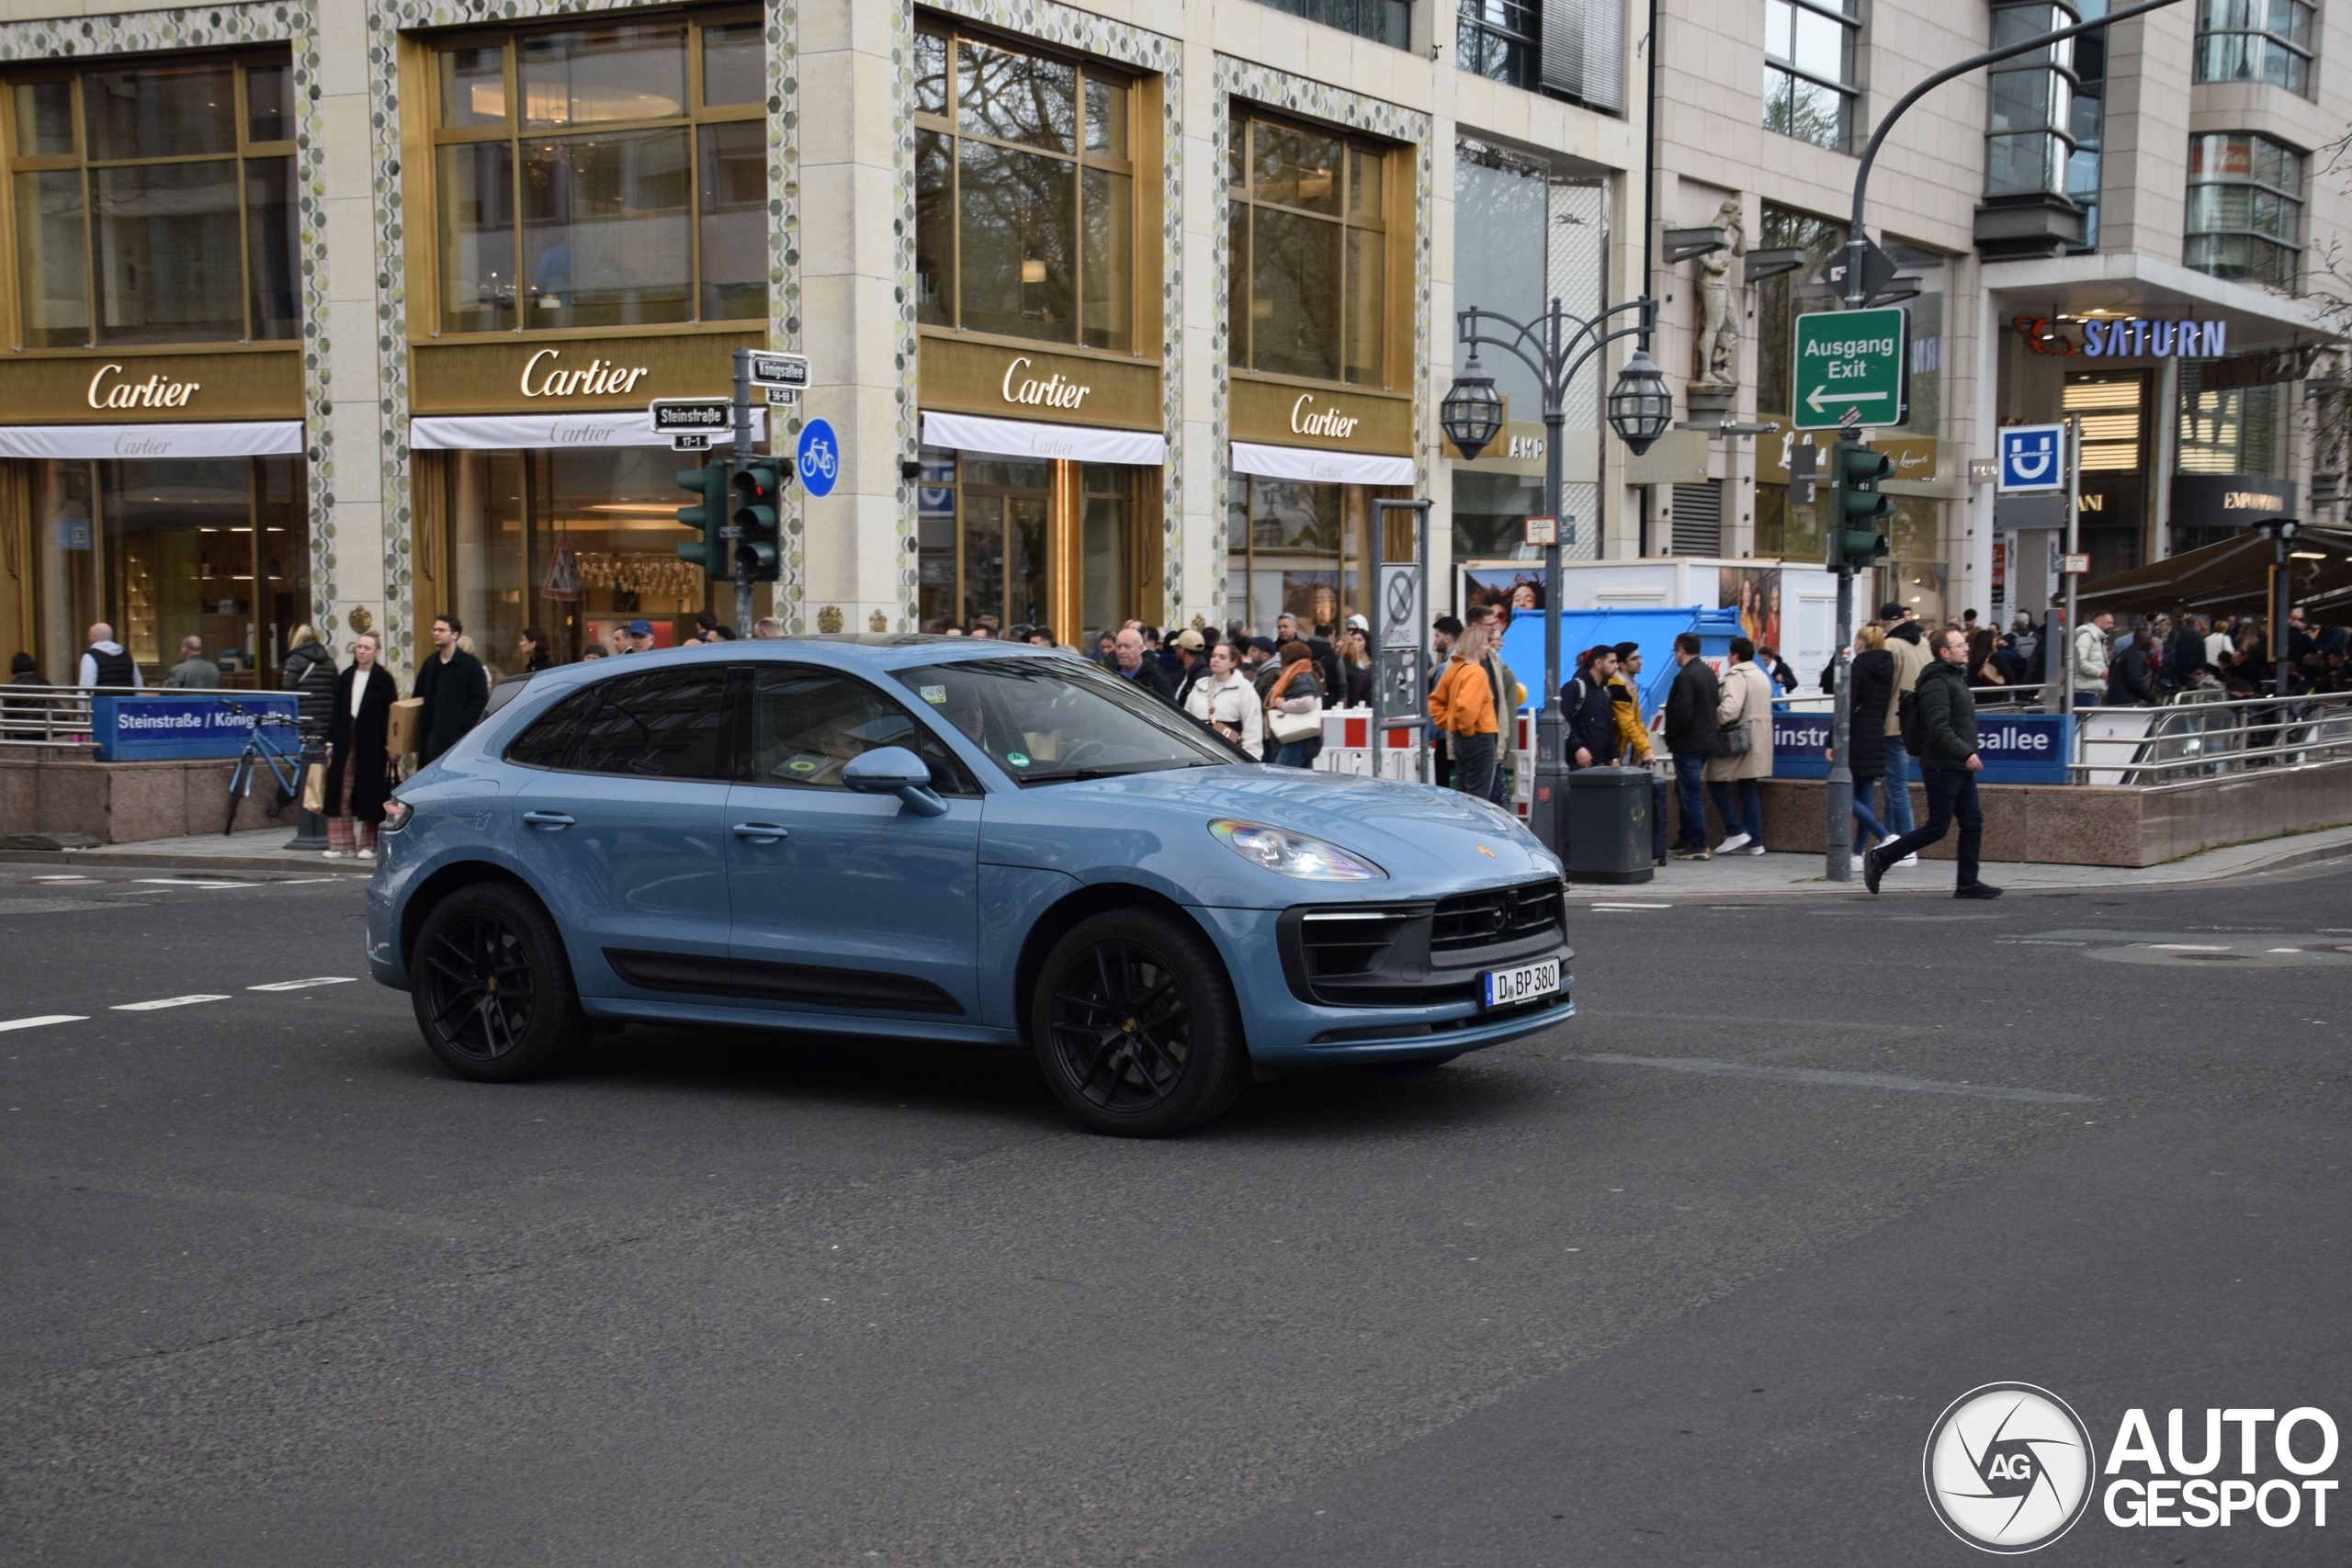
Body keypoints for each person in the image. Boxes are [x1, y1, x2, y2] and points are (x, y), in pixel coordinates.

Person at [1866, 628, 2001, 899]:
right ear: (1944, 651)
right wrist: (1965, 753)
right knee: (1937, 827)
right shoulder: (1937, 682)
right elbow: (1938, 727)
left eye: (1965, 643)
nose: (1966, 648)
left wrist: (1963, 755)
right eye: (1960, 644)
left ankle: (1967, 883)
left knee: (1973, 822)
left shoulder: (1954, 677)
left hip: (1957, 764)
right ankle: (1881, 857)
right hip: (1942, 764)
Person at [322, 633, 398, 861]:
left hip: (373, 743)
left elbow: (392, 715)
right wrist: (330, 741)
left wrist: (394, 746)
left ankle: (369, 844)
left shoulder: (383, 680)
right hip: (346, 739)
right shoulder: (346, 677)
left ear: (376, 652)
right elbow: (335, 712)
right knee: (339, 790)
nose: (361, 651)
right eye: (359, 647)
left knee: (370, 792)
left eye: (366, 647)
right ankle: (340, 843)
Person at [1838, 625, 1902, 862]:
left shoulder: (1857, 667)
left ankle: (1884, 835)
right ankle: (1856, 853)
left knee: (1842, 793)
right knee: (1864, 793)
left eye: (1856, 641)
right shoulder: (1888, 667)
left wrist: (1831, 740)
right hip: (1876, 732)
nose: (1854, 645)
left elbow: (1846, 708)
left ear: (1862, 643)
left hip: (1856, 735)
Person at [1706, 637, 1773, 855]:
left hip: (1738, 739)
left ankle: (1736, 831)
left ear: (1735, 656)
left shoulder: (1737, 675)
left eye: (1728, 654)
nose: (1727, 658)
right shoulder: (1760, 675)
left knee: (1715, 781)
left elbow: (1730, 710)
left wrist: (1711, 718)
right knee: (1748, 787)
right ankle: (1755, 842)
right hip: (1759, 739)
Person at [1607, 641, 1669, 866]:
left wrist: (1644, 749)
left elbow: (1637, 723)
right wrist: (1646, 750)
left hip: (1627, 753)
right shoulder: (1619, 686)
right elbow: (1628, 725)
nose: (1640, 661)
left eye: (1640, 657)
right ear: (1623, 665)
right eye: (1635, 658)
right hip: (1617, 754)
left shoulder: (1630, 685)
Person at [1661, 634, 1718, 859]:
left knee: (1690, 793)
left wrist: (1670, 736)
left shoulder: (1686, 676)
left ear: (1681, 650)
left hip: (1688, 743)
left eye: (1675, 651)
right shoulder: (1708, 673)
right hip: (1705, 741)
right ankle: (1685, 837)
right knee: (1684, 790)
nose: (1675, 655)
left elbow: (1682, 714)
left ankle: (1697, 843)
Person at [1429, 618, 1498, 798]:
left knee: (1464, 792)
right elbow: (1466, 709)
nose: (1487, 648)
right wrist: (1464, 728)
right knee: (1478, 796)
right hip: (1478, 738)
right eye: (1484, 644)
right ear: (1476, 646)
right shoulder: (1477, 672)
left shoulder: (1453, 669)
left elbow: (1435, 701)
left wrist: (1448, 722)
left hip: (1460, 740)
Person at [413, 613, 489, 765]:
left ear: (454, 634)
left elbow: (480, 700)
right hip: (432, 737)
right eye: (434, 630)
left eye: (441, 630)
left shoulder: (470, 665)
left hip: (459, 738)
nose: (435, 633)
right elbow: (418, 697)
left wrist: (462, 724)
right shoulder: (430, 664)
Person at [1880, 604, 1927, 839]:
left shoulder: (1890, 645)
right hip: (1919, 721)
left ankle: (1906, 844)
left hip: (1894, 723)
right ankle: (1890, 837)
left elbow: (1884, 687)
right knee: (1893, 784)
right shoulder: (1924, 642)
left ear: (1884, 622)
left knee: (1896, 786)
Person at [1184, 640, 1265, 761]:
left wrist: (1250, 761)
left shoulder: (1244, 690)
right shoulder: (1199, 687)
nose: (1215, 660)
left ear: (1233, 663)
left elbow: (1253, 732)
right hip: (1198, 757)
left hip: (1231, 759)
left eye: (1222, 657)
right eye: (1213, 656)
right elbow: (1186, 723)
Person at [1264, 639, 1325, 767]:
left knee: (1282, 776)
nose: (1280, 661)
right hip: (1304, 738)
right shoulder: (1307, 674)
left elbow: (1307, 702)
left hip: (1295, 739)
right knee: (1303, 779)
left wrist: (1283, 705)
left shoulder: (1299, 676)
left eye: (1282, 657)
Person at [1561, 646, 1621, 768]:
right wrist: (1578, 747)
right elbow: (1561, 721)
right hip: (1574, 763)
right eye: (1612, 662)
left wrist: (1614, 757)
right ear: (1598, 663)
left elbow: (1609, 727)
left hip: (1598, 763)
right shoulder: (1574, 688)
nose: (1616, 666)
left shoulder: (1605, 692)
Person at [280, 625, 338, 738]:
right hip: (327, 718)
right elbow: (336, 689)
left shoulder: (294, 660)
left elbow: (287, 690)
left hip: (304, 717)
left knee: (305, 751)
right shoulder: (329, 660)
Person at [1110, 626, 1176, 705]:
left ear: (1140, 648)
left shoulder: (1157, 680)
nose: (1122, 651)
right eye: (1118, 647)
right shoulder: (1111, 675)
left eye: (1127, 646)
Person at [77, 623, 141, 691]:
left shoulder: (89, 657)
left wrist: (83, 700)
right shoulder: (128, 656)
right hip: (126, 700)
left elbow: (86, 686)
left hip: (101, 700)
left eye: (89, 636)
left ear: (95, 637)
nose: (88, 638)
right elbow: (138, 683)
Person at [2107, 623, 2156, 706]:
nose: (2151, 642)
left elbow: (2111, 672)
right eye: (2149, 638)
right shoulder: (2135, 656)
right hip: (2126, 702)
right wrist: (2152, 698)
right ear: (2141, 639)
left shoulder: (2124, 653)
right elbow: (2136, 682)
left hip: (2115, 699)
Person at [2073, 610, 2112, 707]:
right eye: (2109, 623)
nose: (2112, 626)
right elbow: (2080, 663)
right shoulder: (2087, 637)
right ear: (2099, 622)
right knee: (2086, 721)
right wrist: (2101, 672)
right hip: (2085, 691)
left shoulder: (2098, 638)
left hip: (2091, 690)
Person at [1170, 628, 1210, 709]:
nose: (1176, 651)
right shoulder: (1186, 673)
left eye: (1177, 647)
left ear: (1182, 650)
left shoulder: (1202, 678)